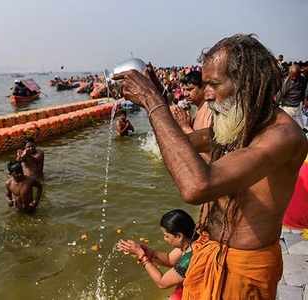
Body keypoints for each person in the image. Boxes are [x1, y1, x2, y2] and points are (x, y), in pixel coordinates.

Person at [114, 34, 307, 299]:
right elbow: (183, 146)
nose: (207, 94)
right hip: (206, 251)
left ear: (247, 83)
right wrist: (161, 100)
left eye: (214, 84)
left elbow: (197, 187)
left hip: (243, 266)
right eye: (205, 85)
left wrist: (152, 102)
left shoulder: (283, 136)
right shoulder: (237, 124)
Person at [117, 209, 196, 300]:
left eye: (167, 236)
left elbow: (162, 283)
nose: (164, 239)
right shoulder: (194, 239)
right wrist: (149, 252)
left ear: (179, 236)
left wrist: (142, 256)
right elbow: (169, 259)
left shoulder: (191, 257)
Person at [171, 71, 212, 161]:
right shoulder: (198, 108)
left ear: (203, 88)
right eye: (184, 90)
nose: (185, 94)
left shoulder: (209, 109)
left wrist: (185, 127)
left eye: (190, 89)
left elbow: (209, 152)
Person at [276, 64, 308, 128]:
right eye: (293, 76)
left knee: (300, 127)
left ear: (299, 73)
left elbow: (304, 91)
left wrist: (305, 99)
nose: (294, 78)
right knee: (288, 126)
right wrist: (276, 104)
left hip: (297, 107)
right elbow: (280, 94)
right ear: (289, 73)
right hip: (288, 108)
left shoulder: (303, 80)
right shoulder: (286, 82)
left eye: (296, 76)